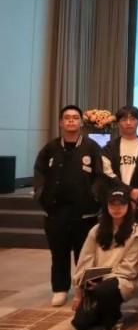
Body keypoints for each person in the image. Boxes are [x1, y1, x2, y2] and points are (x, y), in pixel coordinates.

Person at [33, 104, 104, 307]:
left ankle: (85, 289)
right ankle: (60, 289)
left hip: (84, 213)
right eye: (67, 118)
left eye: (75, 117)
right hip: (56, 212)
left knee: (85, 255)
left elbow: (100, 176)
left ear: (81, 122)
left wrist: (94, 196)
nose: (71, 121)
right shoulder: (50, 148)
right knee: (59, 253)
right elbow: (39, 172)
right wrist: (41, 194)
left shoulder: (92, 147)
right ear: (61, 123)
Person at [71, 189, 138, 330]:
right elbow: (84, 261)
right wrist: (79, 292)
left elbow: (129, 268)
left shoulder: (135, 231)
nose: (117, 209)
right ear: (107, 206)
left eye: (121, 204)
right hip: (95, 281)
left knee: (104, 290)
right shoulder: (96, 230)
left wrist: (103, 280)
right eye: (112, 205)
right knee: (81, 324)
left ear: (128, 206)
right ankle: (104, 311)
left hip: (124, 280)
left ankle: (114, 320)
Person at [102, 105, 138, 210]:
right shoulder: (109, 148)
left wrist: (136, 195)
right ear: (118, 123)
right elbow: (107, 173)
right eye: (124, 119)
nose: (128, 123)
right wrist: (129, 191)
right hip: (114, 199)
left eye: (132, 119)